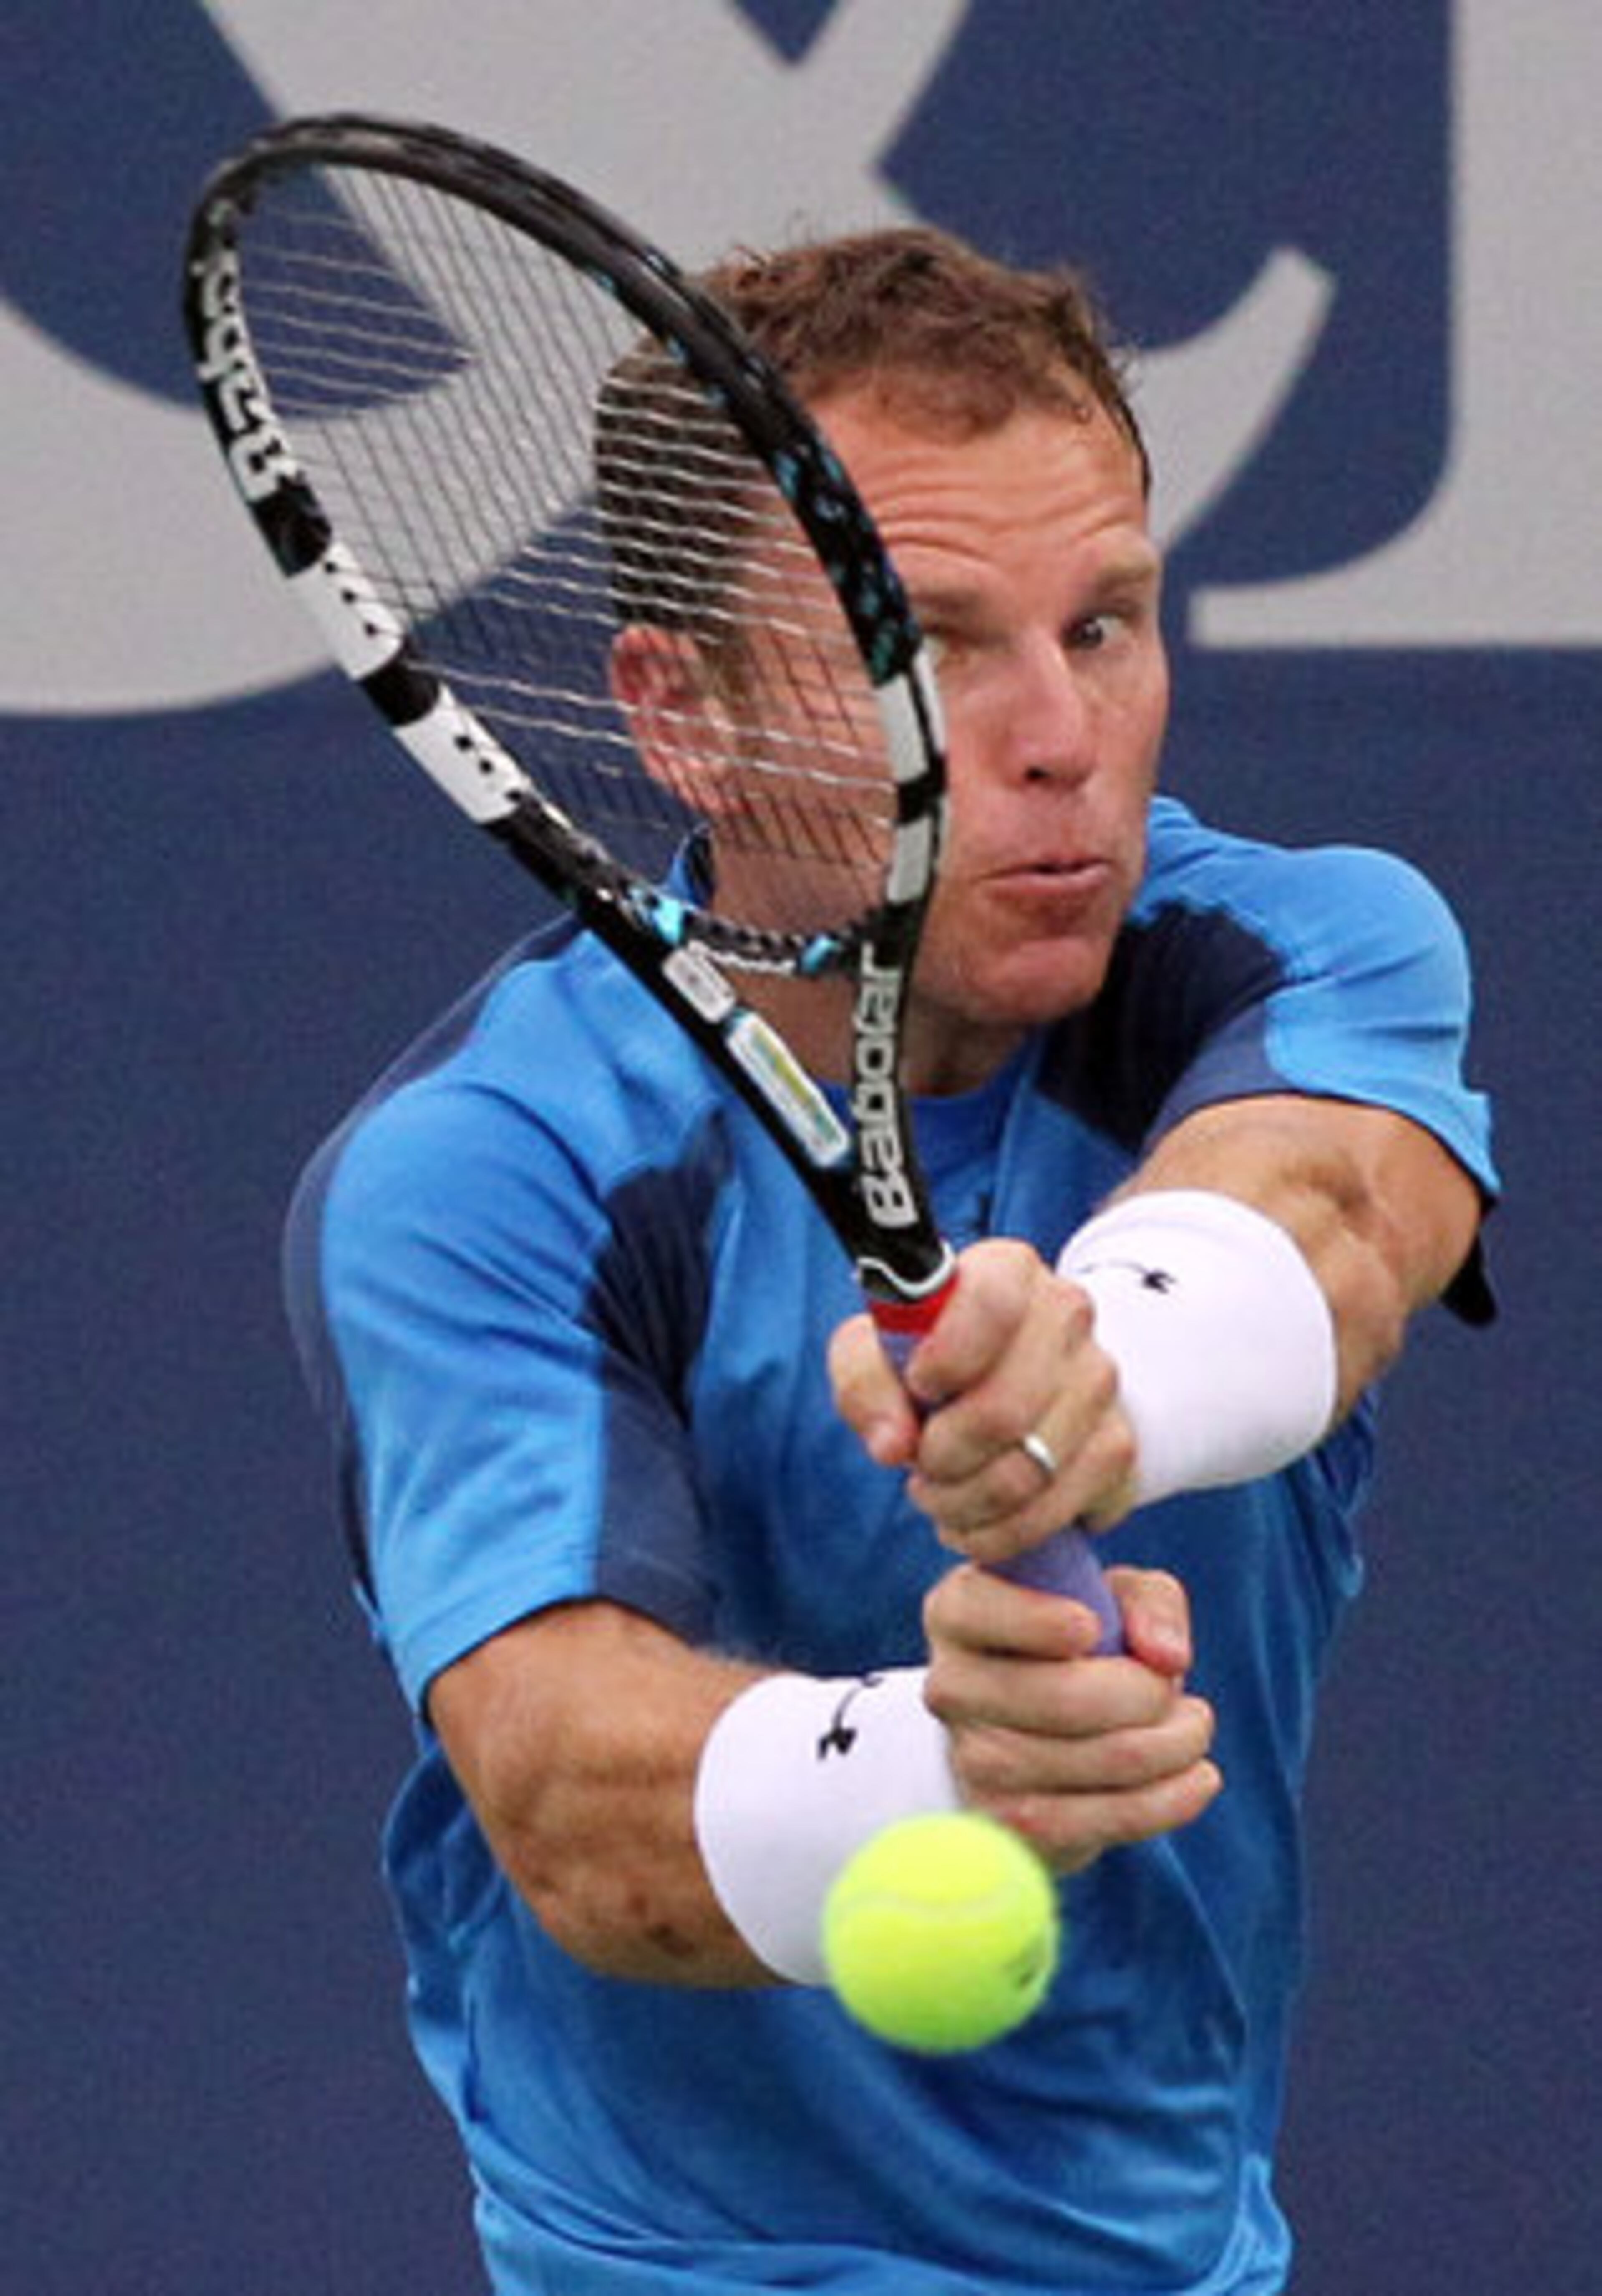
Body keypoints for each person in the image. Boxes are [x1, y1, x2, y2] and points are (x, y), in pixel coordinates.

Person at [284, 225, 1496, 2293]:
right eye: (925, 643)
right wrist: (947, 1758)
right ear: (682, 715)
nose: (1057, 737)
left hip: (1182, 2252)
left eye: (1105, 623)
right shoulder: (489, 1169)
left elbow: (1335, 1217)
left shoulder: (1311, 947)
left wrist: (1090, 1370)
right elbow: (572, 1797)